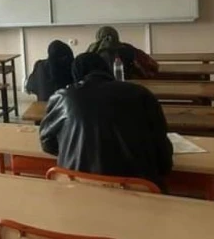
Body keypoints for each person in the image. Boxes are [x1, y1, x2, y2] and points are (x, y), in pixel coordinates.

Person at [39, 53, 173, 188]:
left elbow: (47, 143)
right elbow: (162, 152)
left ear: (75, 74)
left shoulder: (63, 97)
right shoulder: (141, 94)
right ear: (107, 69)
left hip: (77, 186)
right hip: (137, 188)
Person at [87, 26, 158, 79]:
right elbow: (152, 66)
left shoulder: (91, 50)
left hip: (98, 87)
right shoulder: (127, 48)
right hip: (127, 86)